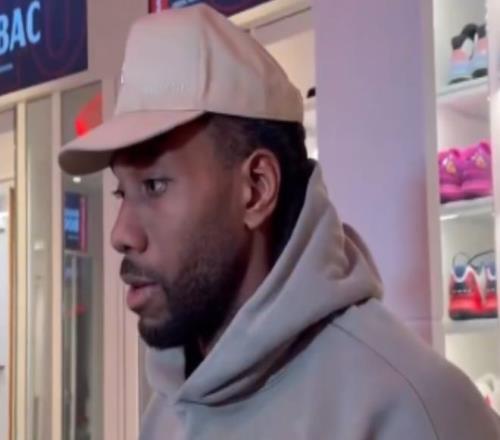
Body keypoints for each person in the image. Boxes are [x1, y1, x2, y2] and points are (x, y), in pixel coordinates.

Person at [59, 4, 500, 440]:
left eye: (154, 186)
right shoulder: (167, 408)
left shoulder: (415, 409)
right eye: (122, 192)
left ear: (256, 188)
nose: (120, 234)